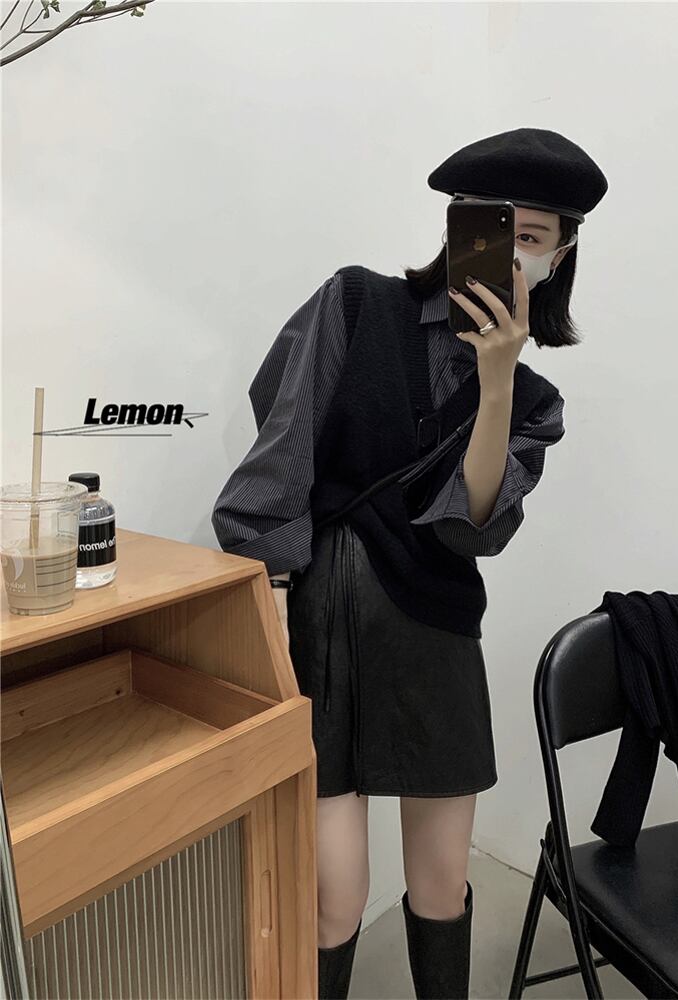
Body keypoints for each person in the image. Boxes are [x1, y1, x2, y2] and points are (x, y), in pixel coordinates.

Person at [211, 127, 608, 999]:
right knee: (335, 898)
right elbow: (282, 452)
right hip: (320, 628)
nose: (511, 251)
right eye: (494, 226)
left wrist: (497, 380)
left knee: (439, 887)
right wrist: (269, 616)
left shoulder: (534, 403)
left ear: (559, 255)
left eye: (532, 236)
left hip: (434, 631)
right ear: (458, 225)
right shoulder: (356, 303)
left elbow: (471, 527)